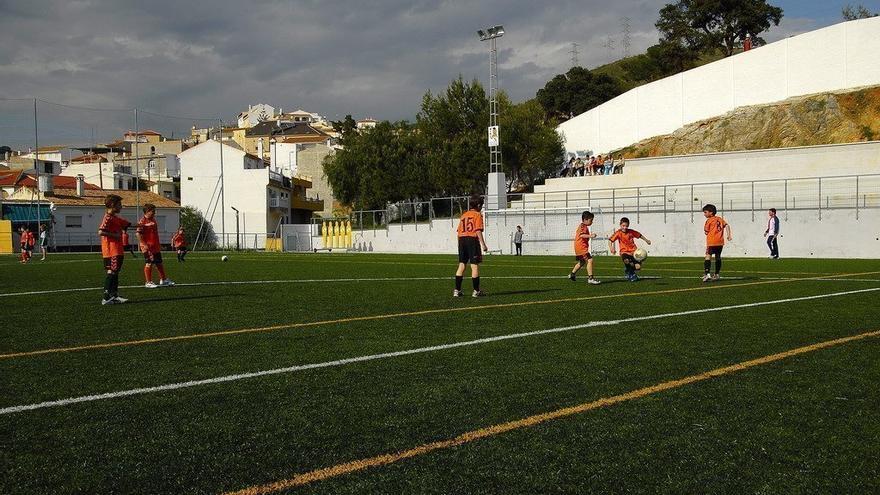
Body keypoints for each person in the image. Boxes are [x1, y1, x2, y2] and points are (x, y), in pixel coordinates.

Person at [98, 194, 131, 305]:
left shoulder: (115, 218)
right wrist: (115, 235)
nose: (121, 207)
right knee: (112, 272)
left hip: (116, 249)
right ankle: (106, 298)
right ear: (113, 205)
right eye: (119, 204)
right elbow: (101, 231)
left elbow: (128, 224)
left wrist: (144, 226)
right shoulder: (107, 217)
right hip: (112, 250)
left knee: (115, 272)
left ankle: (114, 296)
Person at [454, 194, 489, 297]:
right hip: (472, 240)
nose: (481, 207)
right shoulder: (477, 215)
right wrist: (483, 244)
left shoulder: (464, 215)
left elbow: (458, 231)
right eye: (481, 205)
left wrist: (460, 244)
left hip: (462, 240)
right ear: (478, 205)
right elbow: (477, 230)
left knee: (462, 265)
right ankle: (476, 291)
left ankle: (457, 290)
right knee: (474, 266)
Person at [137, 203, 175, 288]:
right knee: (149, 263)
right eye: (153, 211)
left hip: (155, 246)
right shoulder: (142, 221)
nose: (154, 213)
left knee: (159, 263)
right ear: (147, 211)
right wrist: (144, 244)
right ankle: (148, 282)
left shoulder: (153, 220)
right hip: (148, 247)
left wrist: (159, 244)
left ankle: (163, 279)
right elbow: (138, 234)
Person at [609, 217, 652, 281]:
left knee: (638, 267)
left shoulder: (631, 232)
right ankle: (631, 274)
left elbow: (639, 235)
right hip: (624, 252)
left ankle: (628, 270)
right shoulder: (618, 233)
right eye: (623, 226)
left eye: (626, 226)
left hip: (634, 252)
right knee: (626, 260)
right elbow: (610, 241)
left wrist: (646, 240)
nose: (625, 227)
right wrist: (611, 248)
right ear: (620, 225)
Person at [569, 211, 601, 285]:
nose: (592, 222)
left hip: (579, 247)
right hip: (581, 247)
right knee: (590, 260)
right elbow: (581, 235)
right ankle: (591, 278)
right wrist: (591, 236)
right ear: (585, 219)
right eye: (591, 220)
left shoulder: (583, 226)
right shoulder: (583, 226)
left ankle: (572, 274)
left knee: (582, 262)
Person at [702, 204, 732, 282]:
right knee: (718, 257)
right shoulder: (720, 219)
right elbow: (727, 226)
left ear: (711, 213)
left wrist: (707, 232)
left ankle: (707, 274)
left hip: (711, 241)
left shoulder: (709, 220)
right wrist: (729, 235)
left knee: (708, 256)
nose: (704, 214)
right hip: (720, 242)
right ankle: (717, 274)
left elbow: (706, 231)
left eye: (705, 212)